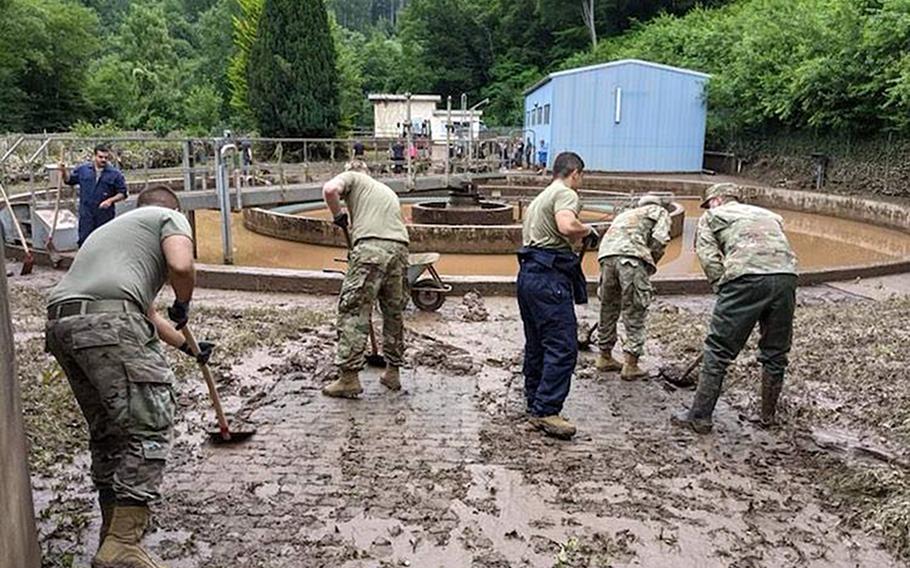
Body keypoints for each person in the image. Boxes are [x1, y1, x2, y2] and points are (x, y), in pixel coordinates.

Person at [45, 185, 214, 568]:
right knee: (150, 422)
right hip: (109, 323)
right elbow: (182, 266)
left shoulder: (112, 233)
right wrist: (184, 301)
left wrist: (189, 346)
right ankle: (123, 541)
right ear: (176, 212)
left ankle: (111, 533)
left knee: (109, 431)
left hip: (62, 323)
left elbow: (145, 312)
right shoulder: (168, 217)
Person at [672, 183, 798, 434]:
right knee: (775, 351)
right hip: (786, 277)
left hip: (744, 277)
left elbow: (707, 256)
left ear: (716, 200)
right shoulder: (769, 215)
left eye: (709, 203)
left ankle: (699, 417)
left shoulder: (712, 216)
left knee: (718, 349)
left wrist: (722, 287)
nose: (708, 208)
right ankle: (767, 417)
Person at [517, 152, 599, 440]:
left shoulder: (540, 198)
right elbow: (566, 225)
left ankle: (534, 401)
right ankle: (546, 411)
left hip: (529, 275)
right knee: (563, 346)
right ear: (574, 172)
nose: (581, 181)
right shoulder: (565, 193)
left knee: (537, 343)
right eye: (582, 176)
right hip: (550, 279)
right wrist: (588, 229)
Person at [321, 160, 410, 398]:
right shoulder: (386, 190)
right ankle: (393, 373)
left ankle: (349, 378)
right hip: (400, 250)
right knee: (394, 313)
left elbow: (329, 190)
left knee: (353, 311)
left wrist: (338, 215)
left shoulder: (352, 177)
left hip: (370, 247)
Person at [596, 194, 671, 379]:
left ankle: (604, 357)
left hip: (606, 258)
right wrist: (651, 259)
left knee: (608, 307)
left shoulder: (625, 214)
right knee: (635, 309)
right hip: (631, 260)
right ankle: (631, 365)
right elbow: (661, 239)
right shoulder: (658, 211)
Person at [59, 143, 128, 246]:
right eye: (100, 157)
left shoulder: (115, 174)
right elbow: (69, 180)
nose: (103, 160)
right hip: (86, 212)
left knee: (103, 241)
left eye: (106, 157)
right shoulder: (83, 170)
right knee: (84, 240)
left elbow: (122, 193)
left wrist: (110, 200)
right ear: (94, 156)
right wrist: (63, 171)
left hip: (104, 213)